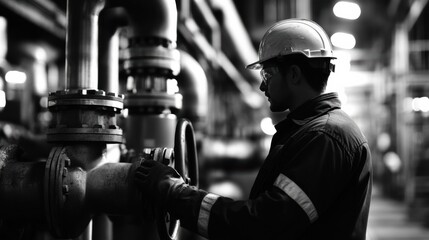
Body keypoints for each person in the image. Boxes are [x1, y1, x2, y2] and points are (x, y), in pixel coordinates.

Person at [134, 19, 372, 240]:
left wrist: (174, 194)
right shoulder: (315, 131)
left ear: (294, 74)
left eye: (267, 74)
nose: (261, 85)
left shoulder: (325, 137)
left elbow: (264, 224)